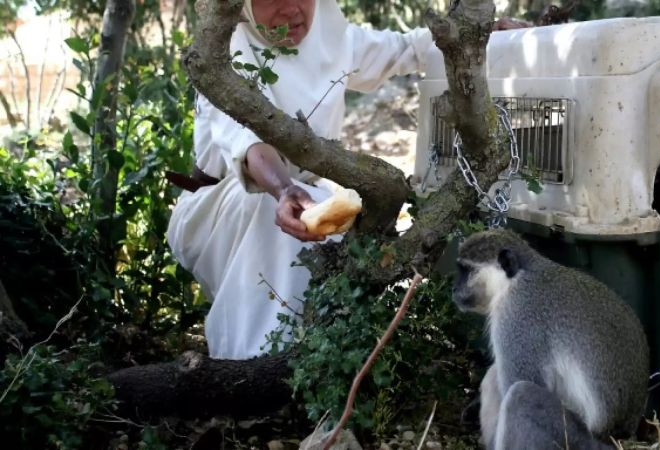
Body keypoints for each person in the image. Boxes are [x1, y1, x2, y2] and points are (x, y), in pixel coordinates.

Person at [167, 0, 526, 360]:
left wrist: (479, 34)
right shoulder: (223, 55)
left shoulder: (330, 34)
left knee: (337, 233)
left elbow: (405, 48)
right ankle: (246, 365)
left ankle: (308, 363)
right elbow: (250, 145)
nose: (292, 10)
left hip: (302, 202)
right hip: (222, 211)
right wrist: (283, 190)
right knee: (264, 208)